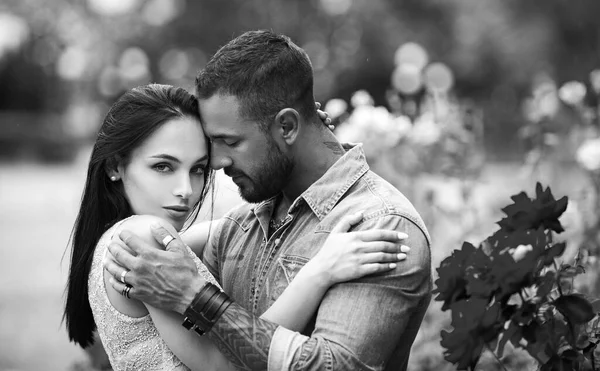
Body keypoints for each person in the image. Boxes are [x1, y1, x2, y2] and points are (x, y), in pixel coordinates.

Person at [105, 30, 432, 370]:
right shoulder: (238, 228)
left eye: (230, 142)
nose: (216, 163)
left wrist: (195, 297)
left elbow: (331, 366)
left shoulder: (379, 225)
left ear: (288, 126)